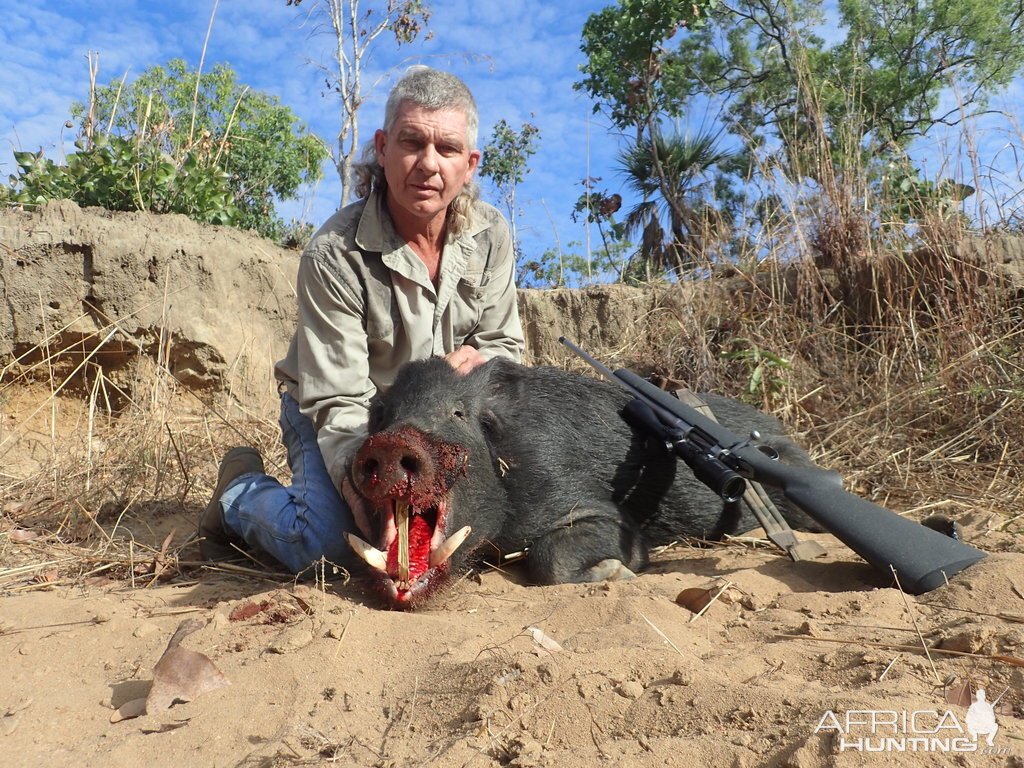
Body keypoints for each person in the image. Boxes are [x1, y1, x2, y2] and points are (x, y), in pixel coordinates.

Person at [198, 67, 525, 573]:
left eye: (448, 149)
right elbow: (340, 402)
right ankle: (237, 494)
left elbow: (506, 349)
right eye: (412, 142)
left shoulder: (492, 235)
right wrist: (367, 496)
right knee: (329, 547)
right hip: (337, 411)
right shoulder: (333, 252)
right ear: (383, 146)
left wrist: (486, 365)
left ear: (470, 164)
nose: (428, 165)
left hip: (435, 423)